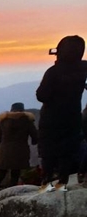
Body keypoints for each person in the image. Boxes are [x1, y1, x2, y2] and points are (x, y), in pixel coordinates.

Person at [36, 35, 87, 192]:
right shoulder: (83, 68)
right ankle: (63, 181)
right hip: (73, 116)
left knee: (49, 151)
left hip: (52, 118)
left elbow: (41, 95)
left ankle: (46, 182)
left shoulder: (53, 72)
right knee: (67, 150)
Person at [0, 102, 38, 195]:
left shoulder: (3, 121)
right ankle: (10, 195)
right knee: (15, 174)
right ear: (22, 110)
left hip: (4, 150)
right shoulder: (27, 121)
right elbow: (35, 136)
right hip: (20, 151)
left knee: (0, 174)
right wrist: (34, 142)